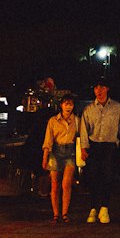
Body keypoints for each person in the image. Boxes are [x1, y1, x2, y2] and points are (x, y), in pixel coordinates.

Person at [79, 79, 120, 225]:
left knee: (108, 176)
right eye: (96, 88)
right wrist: (83, 148)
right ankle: (93, 208)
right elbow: (84, 130)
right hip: (94, 146)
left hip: (110, 145)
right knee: (94, 177)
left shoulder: (116, 107)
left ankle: (104, 207)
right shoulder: (89, 109)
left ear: (107, 88)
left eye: (101, 87)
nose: (99, 91)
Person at [42, 92, 80, 223]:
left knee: (66, 184)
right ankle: (56, 214)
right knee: (54, 185)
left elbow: (81, 137)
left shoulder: (77, 120)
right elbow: (48, 140)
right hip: (56, 152)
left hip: (70, 152)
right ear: (61, 105)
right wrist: (45, 156)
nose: (68, 106)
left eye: (71, 104)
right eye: (66, 103)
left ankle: (65, 213)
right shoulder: (53, 120)